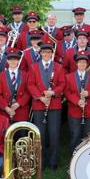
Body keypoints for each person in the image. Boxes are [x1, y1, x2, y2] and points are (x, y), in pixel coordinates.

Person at [27, 37, 65, 170]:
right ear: (41, 53)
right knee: (40, 134)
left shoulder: (59, 67)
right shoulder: (33, 67)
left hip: (54, 105)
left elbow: (62, 84)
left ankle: (53, 161)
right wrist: (40, 97)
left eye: (49, 52)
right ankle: (41, 161)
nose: (46, 54)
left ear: (52, 53)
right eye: (44, 52)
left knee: (54, 133)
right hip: (39, 105)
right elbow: (30, 84)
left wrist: (53, 92)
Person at [65, 51, 90, 151]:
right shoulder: (69, 77)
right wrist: (77, 101)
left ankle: (88, 158)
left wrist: (89, 93)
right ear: (76, 63)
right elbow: (67, 92)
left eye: (84, 62)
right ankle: (74, 159)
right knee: (75, 135)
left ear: (87, 63)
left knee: (89, 136)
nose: (82, 64)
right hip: (75, 111)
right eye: (80, 62)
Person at [0, 48, 31, 123]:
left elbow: (28, 92)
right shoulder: (0, 76)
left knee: (21, 134)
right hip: (5, 111)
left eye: (15, 59)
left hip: (21, 111)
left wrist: (19, 103)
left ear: (18, 61)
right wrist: (6, 108)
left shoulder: (25, 75)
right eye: (10, 59)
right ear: (7, 61)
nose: (13, 61)